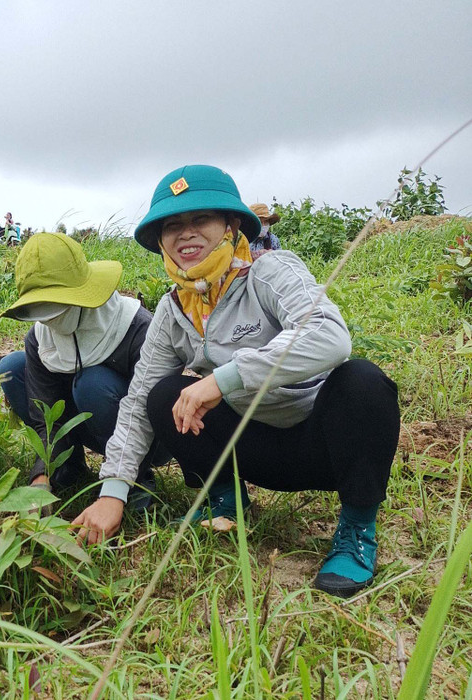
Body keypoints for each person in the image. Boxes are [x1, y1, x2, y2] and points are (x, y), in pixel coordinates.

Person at [72, 165, 399, 597]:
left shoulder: (269, 272)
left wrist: (223, 379)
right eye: (173, 225)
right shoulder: (174, 310)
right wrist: (113, 491)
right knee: (162, 394)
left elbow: (328, 336)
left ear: (230, 225)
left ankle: (357, 529)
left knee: (364, 382)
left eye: (200, 220)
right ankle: (226, 499)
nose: (186, 234)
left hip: (319, 443)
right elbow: (135, 404)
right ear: (161, 241)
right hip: (251, 445)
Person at [0, 233, 163, 508]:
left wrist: (118, 484)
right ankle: (68, 468)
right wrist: (42, 474)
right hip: (86, 425)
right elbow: (46, 415)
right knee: (13, 368)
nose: (50, 320)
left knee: (91, 383)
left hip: (144, 433)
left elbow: (147, 410)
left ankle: (135, 480)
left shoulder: (137, 328)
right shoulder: (39, 338)